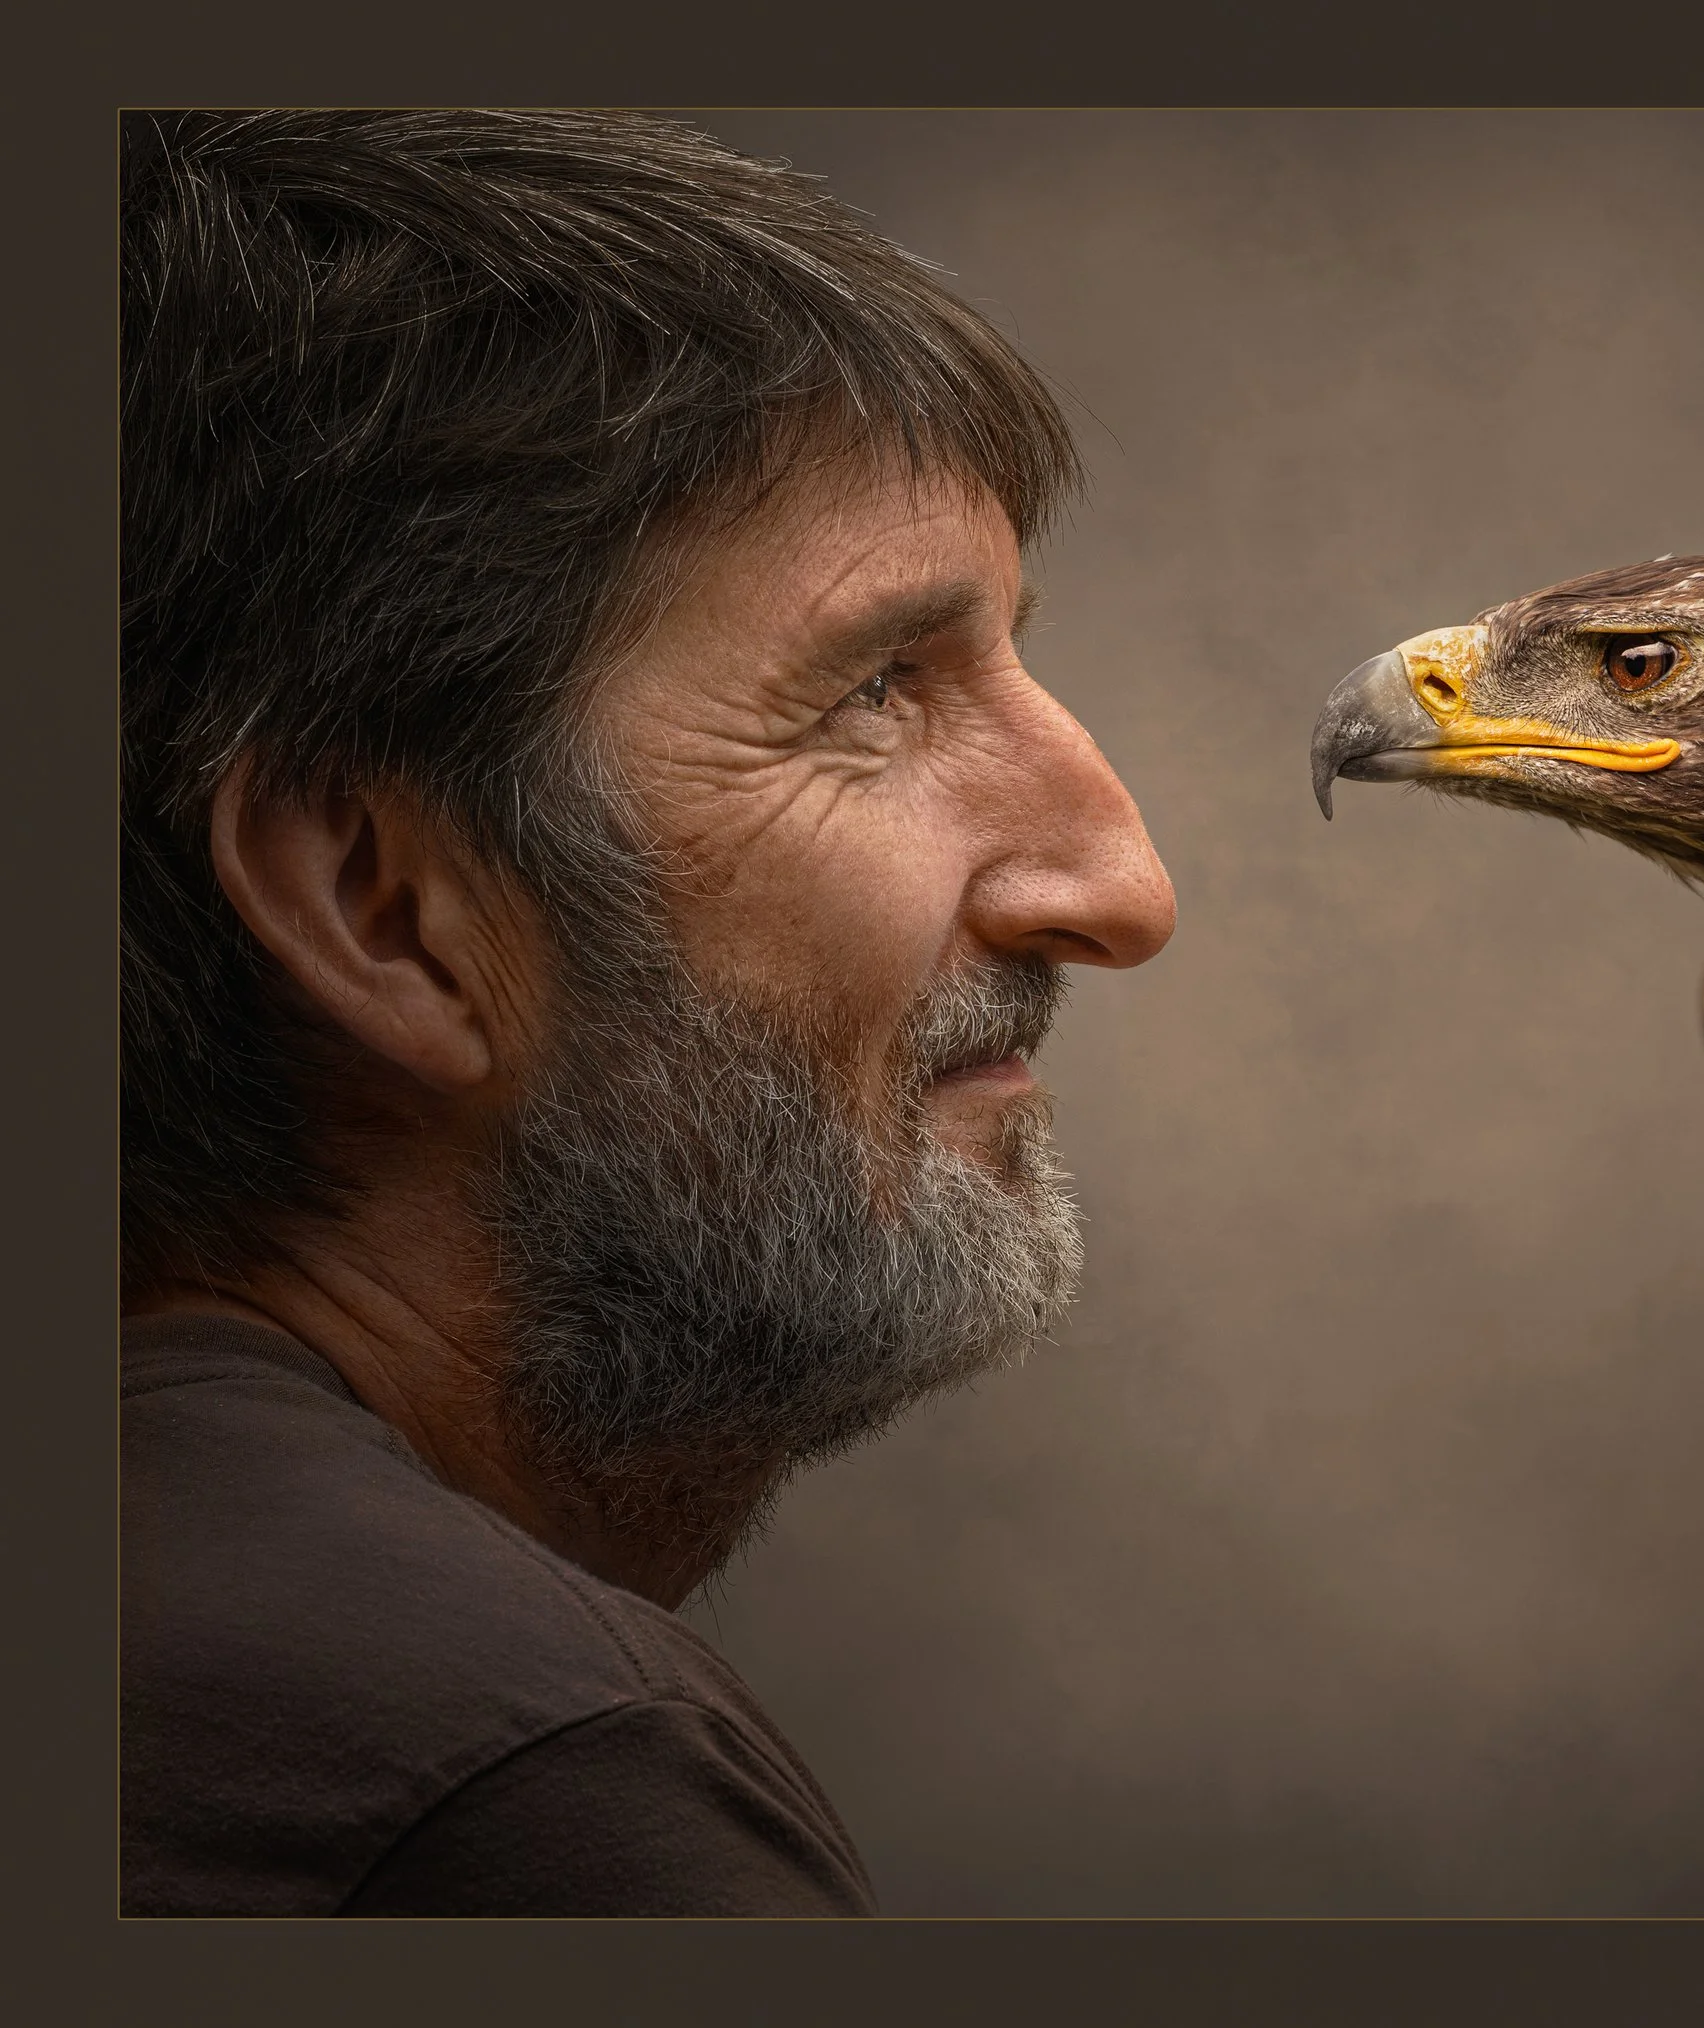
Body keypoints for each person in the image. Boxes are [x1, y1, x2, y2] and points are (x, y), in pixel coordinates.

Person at [118, 109, 1175, 1916]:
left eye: (1012, 653)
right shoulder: (511, 1792)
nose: (1120, 888)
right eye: (874, 692)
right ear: (384, 908)